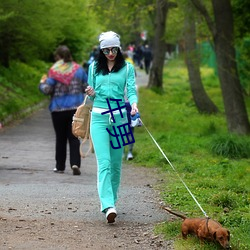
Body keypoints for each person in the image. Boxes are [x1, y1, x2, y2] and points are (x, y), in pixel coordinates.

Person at [85, 31, 138, 223]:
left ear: (119, 48)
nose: (110, 53)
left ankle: (113, 201)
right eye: (106, 50)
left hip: (119, 117)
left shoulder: (127, 68)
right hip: (98, 118)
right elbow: (91, 97)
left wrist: (133, 104)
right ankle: (107, 205)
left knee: (116, 164)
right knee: (104, 163)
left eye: (114, 49)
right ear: (101, 50)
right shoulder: (93, 68)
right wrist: (90, 92)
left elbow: (131, 90)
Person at [39, 45, 88, 175]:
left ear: (58, 57)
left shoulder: (54, 71)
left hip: (58, 109)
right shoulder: (79, 70)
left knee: (60, 138)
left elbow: (47, 90)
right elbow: (86, 87)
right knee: (74, 137)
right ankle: (75, 163)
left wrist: (42, 83)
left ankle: (60, 166)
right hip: (75, 109)